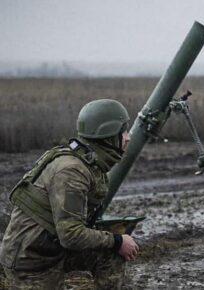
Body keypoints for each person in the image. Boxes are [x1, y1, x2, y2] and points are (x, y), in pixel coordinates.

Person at [0, 99, 139, 289]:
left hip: (54, 248)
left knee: (111, 256)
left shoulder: (88, 163)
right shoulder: (72, 171)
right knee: (115, 247)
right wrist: (116, 240)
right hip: (31, 261)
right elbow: (71, 235)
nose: (128, 137)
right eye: (123, 131)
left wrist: (114, 239)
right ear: (108, 135)